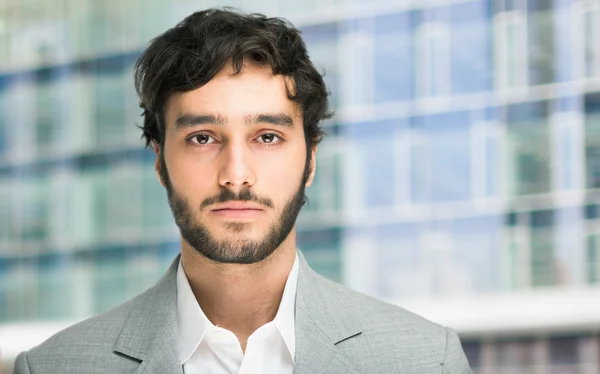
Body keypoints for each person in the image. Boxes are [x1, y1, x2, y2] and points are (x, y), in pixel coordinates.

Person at [13, 8, 472, 374]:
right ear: (159, 161)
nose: (236, 175)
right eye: (202, 138)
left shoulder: (427, 360)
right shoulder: (54, 366)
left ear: (310, 159)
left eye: (267, 137)